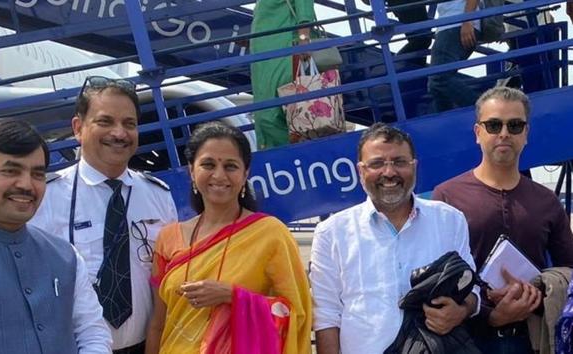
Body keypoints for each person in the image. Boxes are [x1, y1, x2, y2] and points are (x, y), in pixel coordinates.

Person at [30, 76, 178, 354]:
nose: (119, 133)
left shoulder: (159, 196)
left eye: (129, 124)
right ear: (78, 128)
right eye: (105, 121)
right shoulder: (47, 198)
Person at [0, 119, 111, 353]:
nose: (26, 184)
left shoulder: (65, 255)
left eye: (37, 174)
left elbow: (92, 332)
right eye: (10, 171)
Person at [310, 122, 479, 354]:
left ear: (414, 166)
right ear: (361, 171)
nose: (389, 173)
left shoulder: (449, 220)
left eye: (399, 162)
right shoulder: (332, 233)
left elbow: (472, 288)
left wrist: (462, 310)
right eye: (377, 163)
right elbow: (327, 316)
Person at [145, 121, 312, 354]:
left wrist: (231, 296)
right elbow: (158, 324)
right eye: (208, 164)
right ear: (192, 171)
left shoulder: (271, 234)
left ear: (245, 174)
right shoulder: (168, 237)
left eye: (231, 166)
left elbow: (297, 313)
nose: (219, 175)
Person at [432, 86, 573, 353]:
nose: (504, 133)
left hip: (534, 337)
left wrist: (537, 295)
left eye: (515, 125)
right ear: (478, 133)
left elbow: (569, 270)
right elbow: (437, 272)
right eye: (494, 125)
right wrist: (487, 311)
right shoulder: (446, 196)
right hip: (467, 339)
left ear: (526, 134)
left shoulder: (547, 201)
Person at [250, 0, 316, 149]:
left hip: (283, 49)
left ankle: (293, 157)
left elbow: (304, 4)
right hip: (265, 54)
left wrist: (304, 38)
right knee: (265, 115)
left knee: (272, 115)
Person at [427, 0, 481, 112]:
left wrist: (467, 21)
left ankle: (486, 111)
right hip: (453, 24)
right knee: (437, 86)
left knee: (439, 79)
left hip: (456, 24)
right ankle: (445, 122)